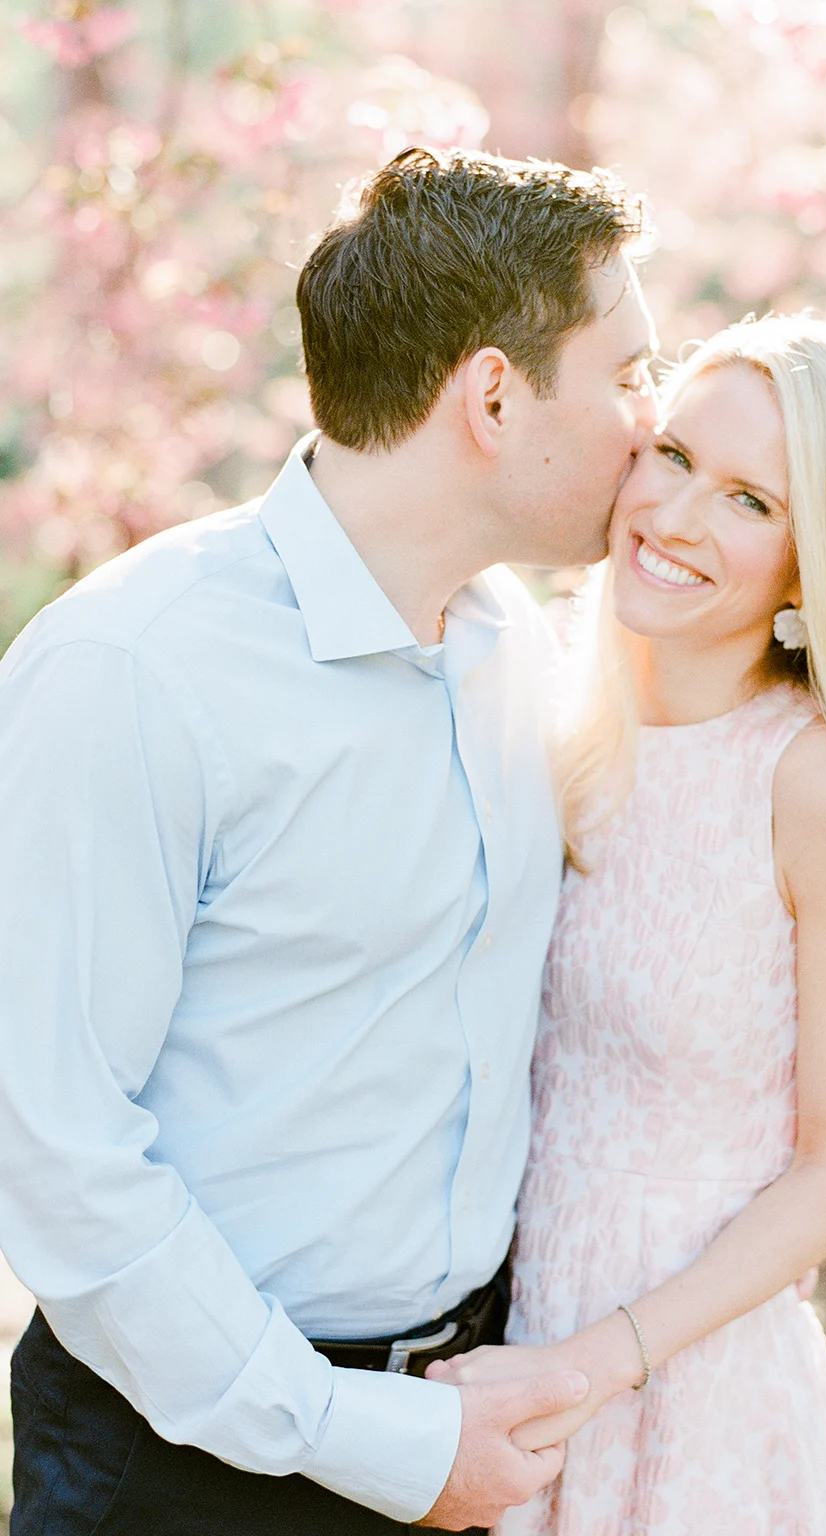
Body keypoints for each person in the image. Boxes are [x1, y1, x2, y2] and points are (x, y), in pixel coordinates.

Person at [0, 147, 660, 1532]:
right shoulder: (134, 671)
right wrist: (362, 1438)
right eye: (629, 375)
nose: (649, 429)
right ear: (494, 396)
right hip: (183, 1468)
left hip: (473, 1422)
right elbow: (55, 1152)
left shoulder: (511, 647)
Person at [423, 315, 826, 1533]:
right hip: (498, 1347)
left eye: (749, 501)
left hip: (690, 1389)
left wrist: (589, 1367)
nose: (673, 516)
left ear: (812, 563)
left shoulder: (823, 791)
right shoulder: (547, 728)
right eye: (673, 455)